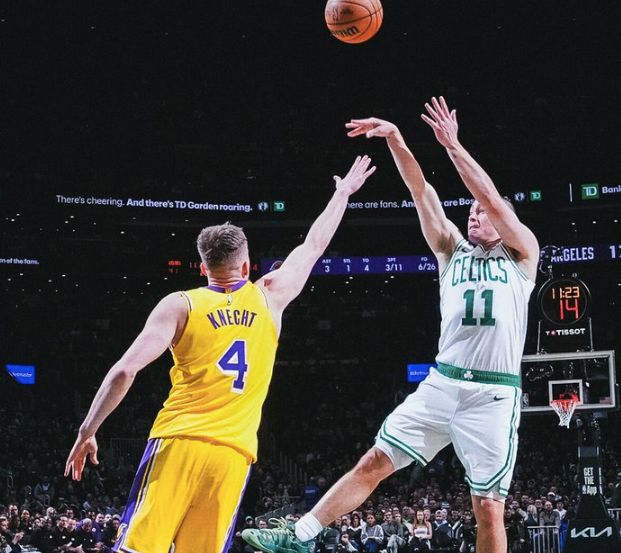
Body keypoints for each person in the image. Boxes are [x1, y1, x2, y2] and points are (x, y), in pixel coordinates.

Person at [243, 97, 539, 553]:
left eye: (481, 211)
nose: (474, 213)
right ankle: (300, 535)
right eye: (470, 210)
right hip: (443, 384)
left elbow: (490, 197)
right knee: (374, 460)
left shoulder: (522, 255)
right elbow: (421, 191)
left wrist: (453, 146)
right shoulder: (450, 249)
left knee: (488, 508)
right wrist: (397, 140)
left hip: (493, 395)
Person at [64, 155, 376, 553]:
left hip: (179, 441)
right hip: (233, 454)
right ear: (246, 266)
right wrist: (342, 193)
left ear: (202, 268)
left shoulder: (180, 304)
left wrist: (87, 431)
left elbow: (125, 371)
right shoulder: (269, 297)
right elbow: (313, 245)